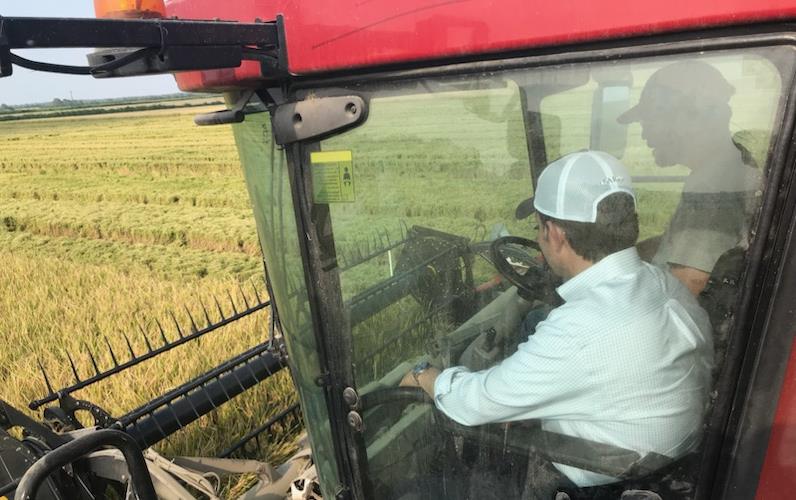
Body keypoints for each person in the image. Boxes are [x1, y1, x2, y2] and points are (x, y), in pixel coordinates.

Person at [400, 150, 714, 498]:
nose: (538, 237)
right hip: (665, 467)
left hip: (601, 484)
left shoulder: (582, 326)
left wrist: (425, 376)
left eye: (538, 227)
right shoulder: (662, 284)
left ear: (555, 233)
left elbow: (476, 403)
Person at [618, 60, 761, 296]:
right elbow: (678, 245)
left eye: (649, 120)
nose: (644, 132)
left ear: (687, 118)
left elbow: (689, 286)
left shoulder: (712, 191)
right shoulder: (728, 166)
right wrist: (621, 258)